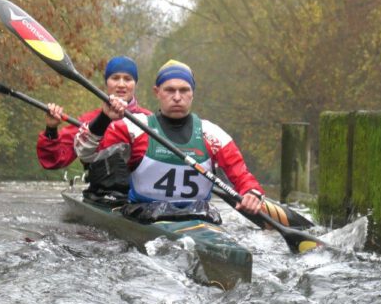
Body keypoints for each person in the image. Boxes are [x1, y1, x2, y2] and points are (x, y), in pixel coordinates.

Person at [73, 59, 264, 222]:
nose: (177, 97)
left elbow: (242, 175)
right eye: (170, 90)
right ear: (157, 92)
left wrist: (251, 193)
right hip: (145, 216)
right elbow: (85, 152)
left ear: (192, 93)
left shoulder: (212, 134)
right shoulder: (134, 127)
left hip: (198, 217)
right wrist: (104, 118)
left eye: (184, 90)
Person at [36, 55, 151, 201]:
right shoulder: (88, 121)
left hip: (142, 201)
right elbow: (54, 160)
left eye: (128, 79)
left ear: (135, 84)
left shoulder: (149, 120)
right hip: (101, 197)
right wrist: (51, 129)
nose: (121, 84)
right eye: (115, 78)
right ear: (106, 83)